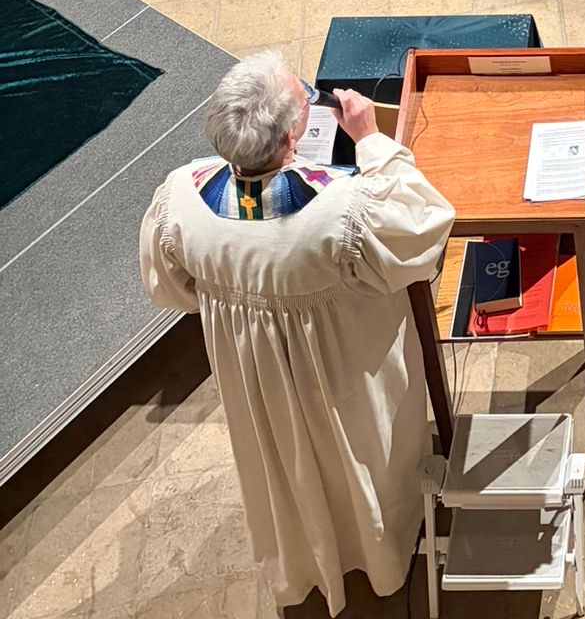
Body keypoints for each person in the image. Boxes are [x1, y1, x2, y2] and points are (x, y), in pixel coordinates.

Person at [139, 53, 454, 617]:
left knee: (282, 466)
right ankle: (380, 560)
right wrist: (370, 141)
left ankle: (305, 564)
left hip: (253, 375)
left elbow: (172, 290)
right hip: (343, 373)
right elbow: (424, 227)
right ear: (292, 138)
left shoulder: (180, 197)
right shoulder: (339, 210)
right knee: (359, 457)